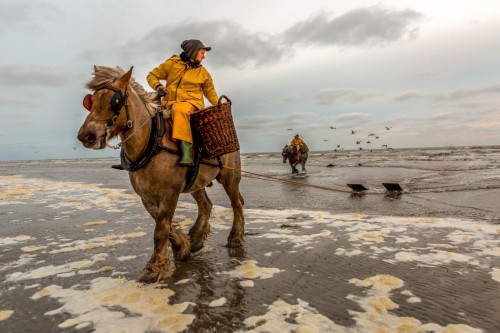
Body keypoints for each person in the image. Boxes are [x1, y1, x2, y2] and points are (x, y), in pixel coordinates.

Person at [147, 39, 219, 166]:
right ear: (193, 52)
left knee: (180, 110)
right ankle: (132, 157)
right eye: (202, 53)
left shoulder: (203, 73)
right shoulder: (172, 64)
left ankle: (187, 153)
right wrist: (158, 86)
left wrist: (218, 105)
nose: (204, 57)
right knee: (143, 113)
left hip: (192, 103)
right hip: (168, 102)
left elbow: (210, 91)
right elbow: (152, 75)